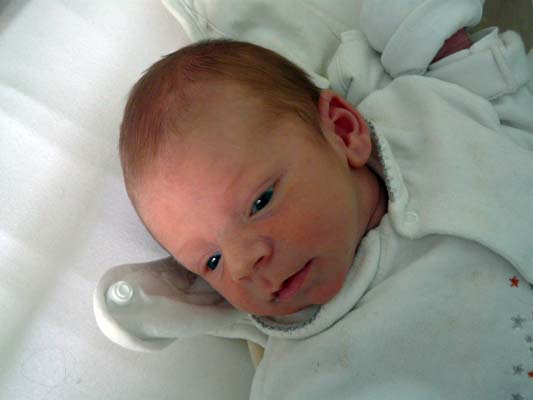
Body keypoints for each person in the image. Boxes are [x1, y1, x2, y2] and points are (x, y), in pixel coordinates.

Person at [94, 1, 533, 398]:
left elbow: (476, 71)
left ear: (343, 131)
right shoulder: (299, 377)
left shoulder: (429, 117)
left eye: (260, 202)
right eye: (212, 261)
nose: (245, 264)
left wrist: (434, 35)